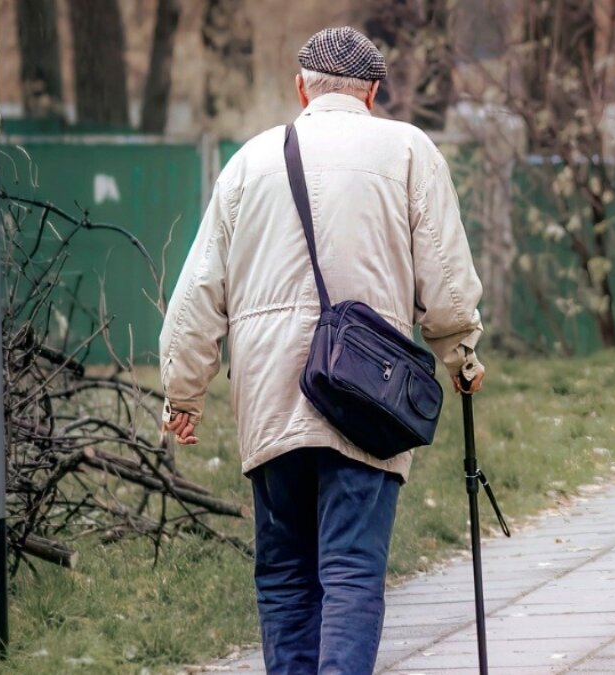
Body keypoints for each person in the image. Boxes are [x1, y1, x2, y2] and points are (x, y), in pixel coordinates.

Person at [159, 26, 485, 675]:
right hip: (367, 395)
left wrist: (182, 392)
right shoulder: (410, 151)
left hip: (271, 398)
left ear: (301, 87)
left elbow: (200, 289)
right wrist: (461, 355)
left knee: (283, 577)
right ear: (372, 91)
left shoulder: (248, 162)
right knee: (352, 573)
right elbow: (445, 280)